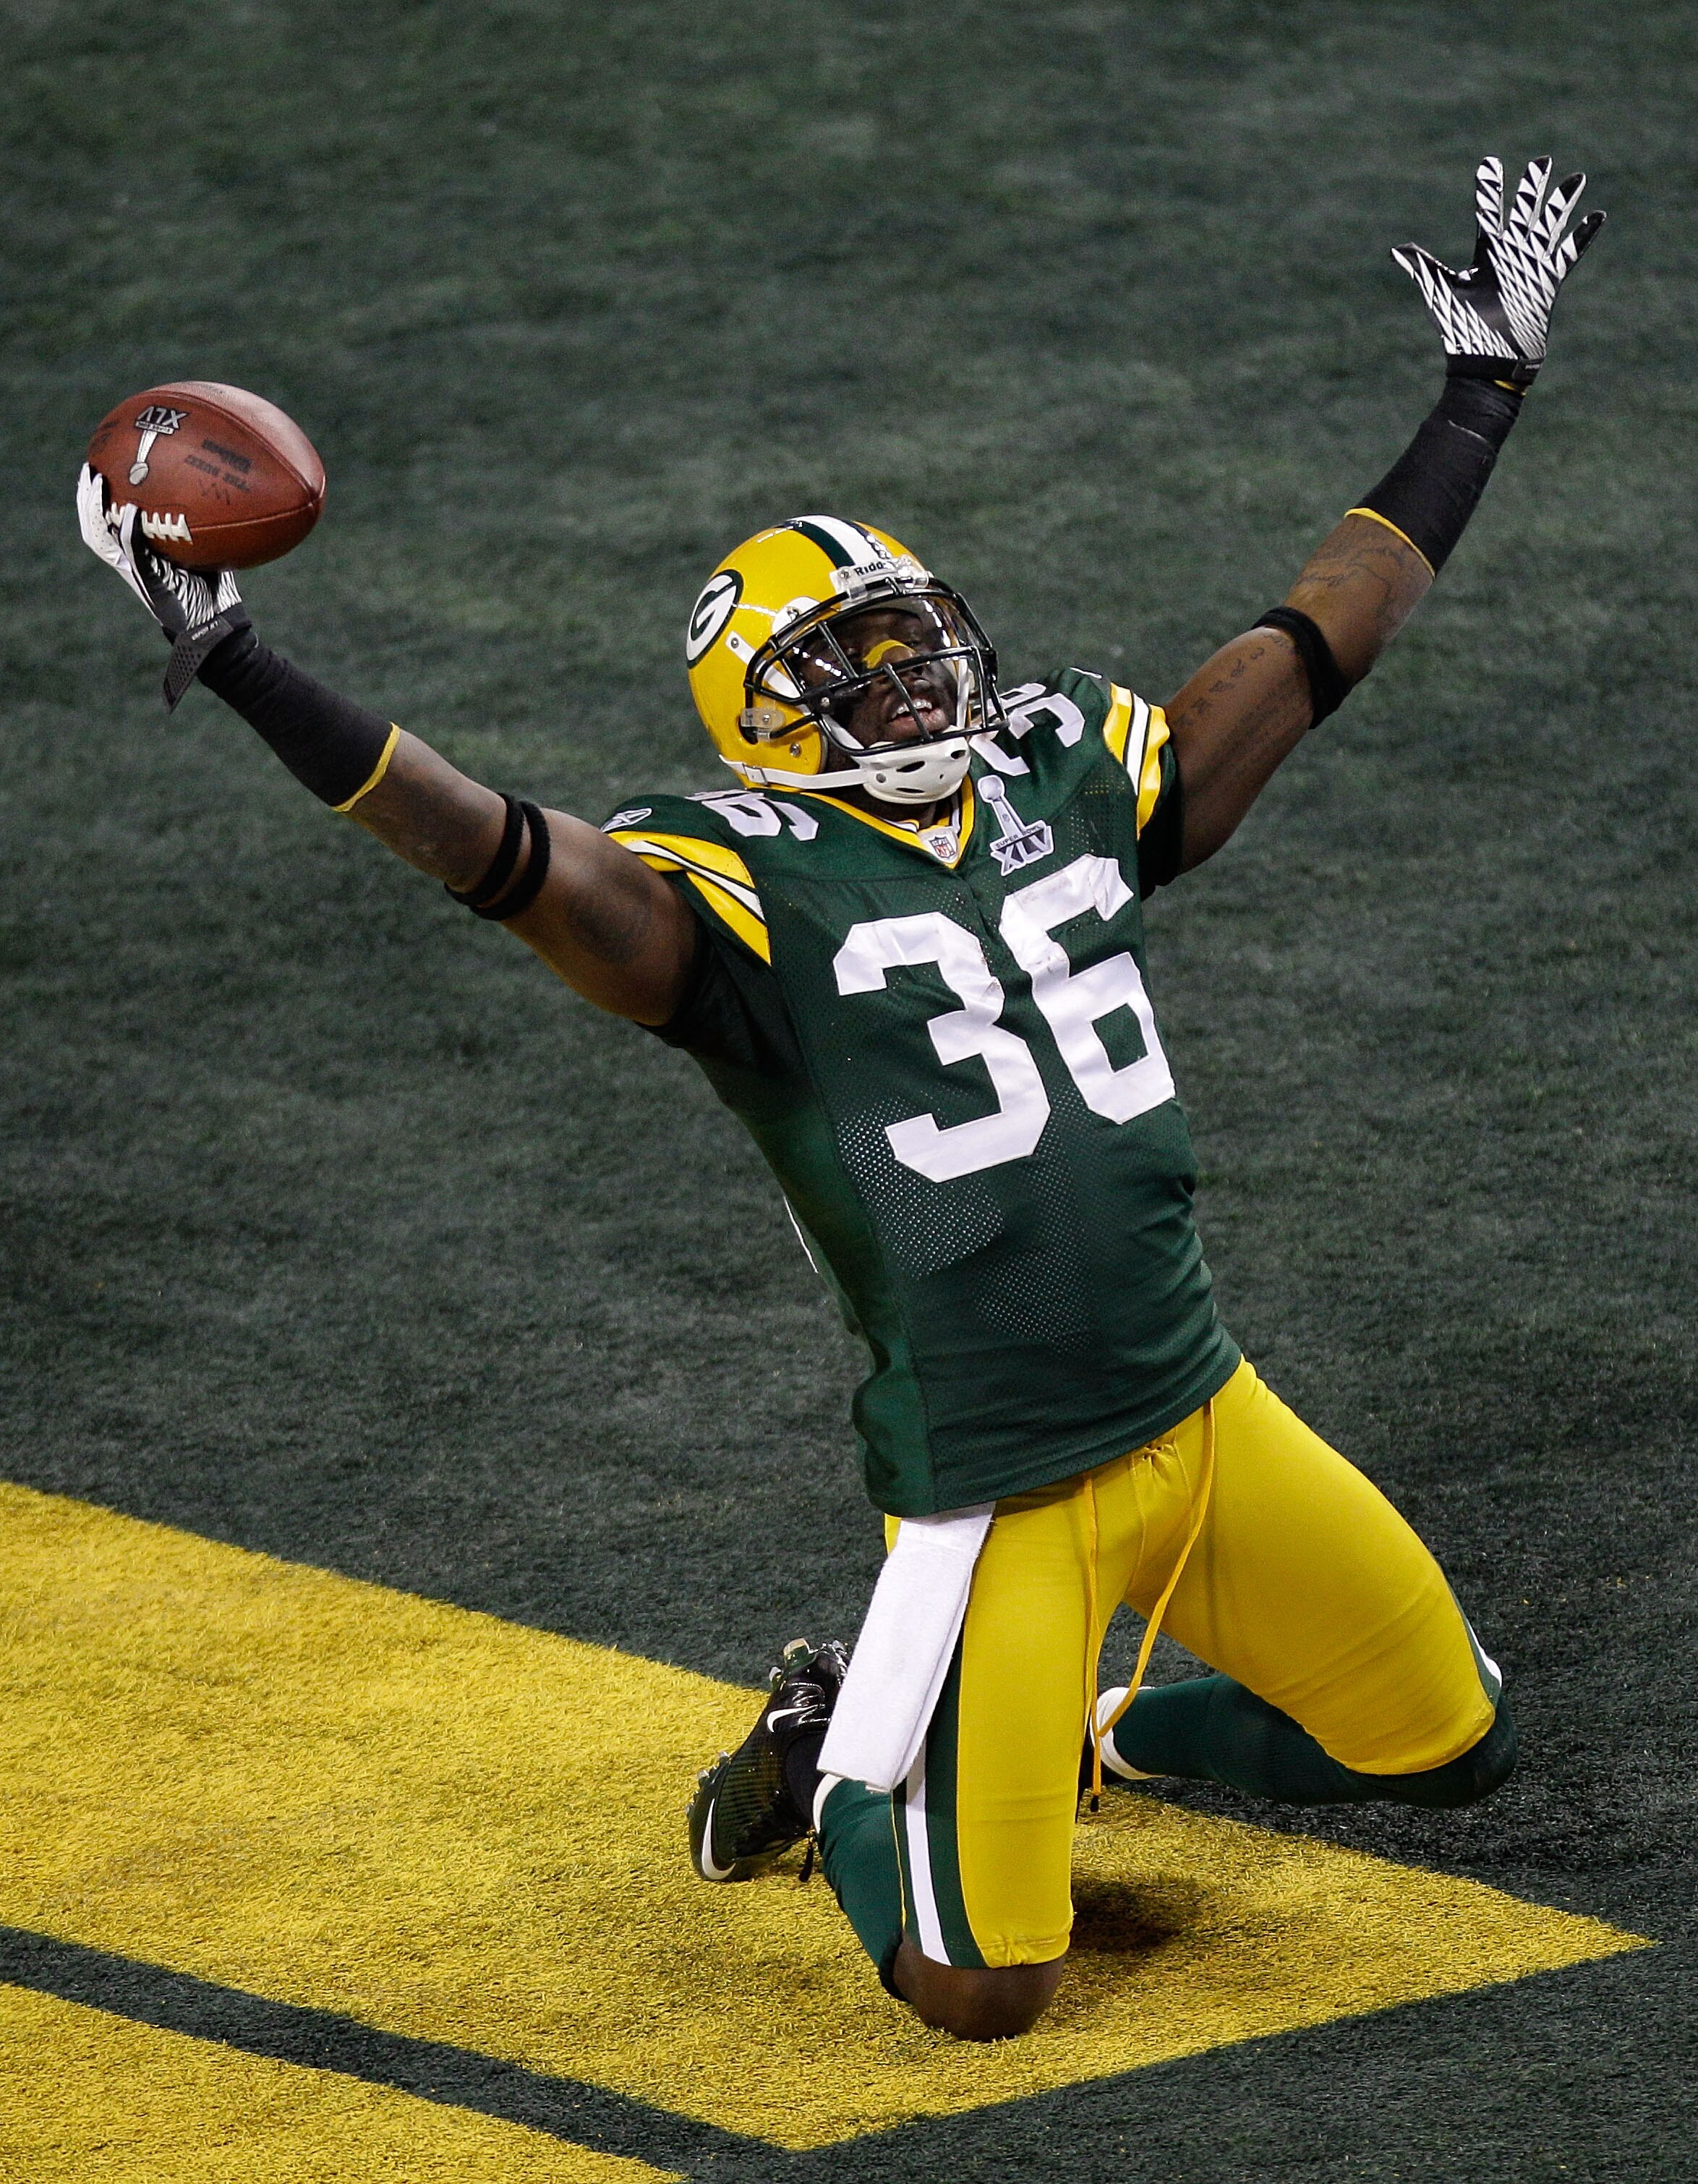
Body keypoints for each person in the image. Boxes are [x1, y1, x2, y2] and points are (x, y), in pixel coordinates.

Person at [78, 157, 1603, 2042]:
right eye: (845, 662)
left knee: (1447, 1745)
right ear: (762, 720)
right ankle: (839, 1752)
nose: (903, 677)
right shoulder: (729, 890)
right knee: (982, 1989)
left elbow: (1313, 643)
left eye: (907, 632)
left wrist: (1476, 395)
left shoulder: (1064, 771)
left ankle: (1093, 1740)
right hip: (995, 1490)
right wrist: (246, 668)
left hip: (1202, 1410)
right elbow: (498, 856)